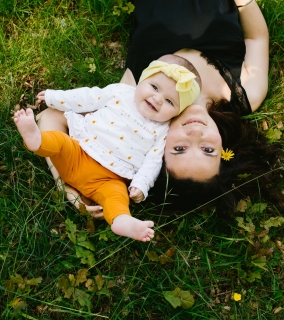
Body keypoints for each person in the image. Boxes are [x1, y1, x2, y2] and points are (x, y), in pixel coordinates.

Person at [37, 0, 280, 215]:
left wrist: (65, 183)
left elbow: (52, 115)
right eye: (207, 149)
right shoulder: (244, 92)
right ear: (223, 149)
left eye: (180, 148)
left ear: (160, 151)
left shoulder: (136, 99)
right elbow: (256, 38)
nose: (195, 134)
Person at [14, 60, 200, 241]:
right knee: (61, 141)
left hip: (110, 178)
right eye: (154, 87)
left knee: (117, 196)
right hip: (79, 152)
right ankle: (37, 140)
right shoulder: (121, 92)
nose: (157, 99)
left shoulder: (162, 130)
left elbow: (153, 161)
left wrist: (141, 185)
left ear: (177, 111)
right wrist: (54, 97)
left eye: (169, 101)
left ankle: (121, 220)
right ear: (142, 80)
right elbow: (87, 97)